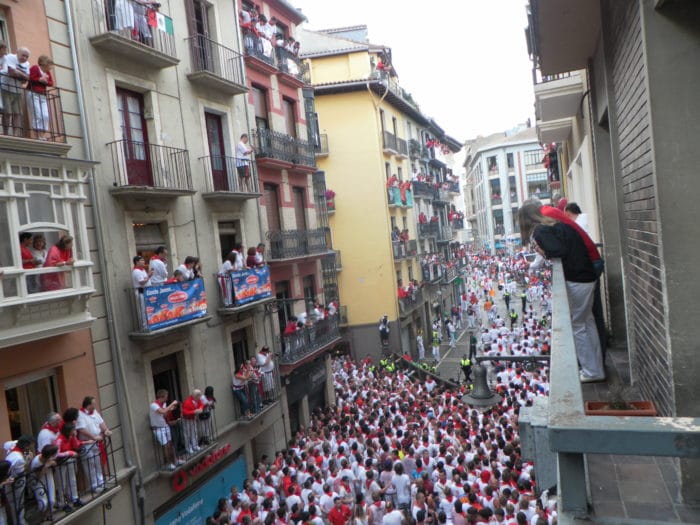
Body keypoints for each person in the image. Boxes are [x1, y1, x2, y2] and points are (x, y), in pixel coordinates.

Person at [519, 203, 604, 382]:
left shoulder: (540, 231)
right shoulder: (550, 225)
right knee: (587, 321)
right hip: (585, 275)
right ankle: (596, 367)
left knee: (578, 326)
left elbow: (558, 250)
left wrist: (542, 250)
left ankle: (592, 371)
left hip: (578, 278)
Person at [76, 395, 111, 493]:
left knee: (97, 463)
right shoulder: (80, 414)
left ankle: (101, 482)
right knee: (90, 464)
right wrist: (93, 437)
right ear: (88, 405)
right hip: (87, 444)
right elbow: (81, 429)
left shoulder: (95, 412)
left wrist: (106, 430)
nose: (95, 405)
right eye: (93, 404)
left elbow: (101, 423)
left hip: (96, 442)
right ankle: (94, 485)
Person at [54, 423, 86, 512]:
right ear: (68, 431)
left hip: (70, 461)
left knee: (72, 480)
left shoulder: (70, 437)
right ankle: (62, 503)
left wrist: (75, 437)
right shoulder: (59, 440)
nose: (74, 431)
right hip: (61, 463)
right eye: (73, 430)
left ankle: (74, 498)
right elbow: (56, 454)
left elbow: (76, 446)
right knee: (62, 483)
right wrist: (69, 453)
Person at [2, 46, 30, 137]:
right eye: (23, 55)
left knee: (17, 113)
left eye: (27, 56)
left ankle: (15, 134)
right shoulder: (10, 57)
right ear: (17, 52)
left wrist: (19, 73)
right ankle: (6, 133)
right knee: (7, 112)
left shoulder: (27, 64)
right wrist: (22, 75)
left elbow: (26, 79)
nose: (25, 58)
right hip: (6, 88)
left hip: (18, 91)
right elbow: (11, 72)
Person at [150, 389, 180, 470]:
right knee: (166, 446)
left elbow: (164, 415)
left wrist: (170, 409)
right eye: (166, 397)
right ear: (162, 397)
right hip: (158, 428)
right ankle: (169, 463)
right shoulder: (154, 405)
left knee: (170, 444)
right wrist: (171, 404)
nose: (167, 398)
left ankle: (175, 460)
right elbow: (162, 412)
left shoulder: (164, 404)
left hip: (165, 426)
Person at [28, 55, 54, 138]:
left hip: (42, 95)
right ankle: (37, 135)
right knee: (37, 114)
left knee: (45, 115)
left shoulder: (47, 73)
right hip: (33, 93)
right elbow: (30, 77)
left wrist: (45, 81)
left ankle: (41, 135)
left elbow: (51, 83)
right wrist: (40, 79)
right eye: (50, 65)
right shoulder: (35, 68)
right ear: (44, 63)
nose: (50, 67)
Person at [181, 389, 205, 454]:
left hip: (193, 419)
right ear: (196, 396)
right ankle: (188, 448)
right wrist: (194, 412)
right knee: (187, 434)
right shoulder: (187, 402)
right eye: (199, 396)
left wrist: (200, 409)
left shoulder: (198, 400)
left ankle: (195, 446)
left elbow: (201, 404)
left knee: (194, 432)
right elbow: (184, 412)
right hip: (186, 420)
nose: (200, 397)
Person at [132, 255, 153, 328]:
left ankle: (149, 323)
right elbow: (142, 282)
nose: (143, 261)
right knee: (143, 309)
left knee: (147, 309)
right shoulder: (136, 271)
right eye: (141, 260)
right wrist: (149, 276)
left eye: (143, 260)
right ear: (137, 262)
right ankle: (144, 326)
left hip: (146, 292)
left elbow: (145, 279)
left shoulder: (142, 270)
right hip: (141, 292)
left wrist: (148, 275)